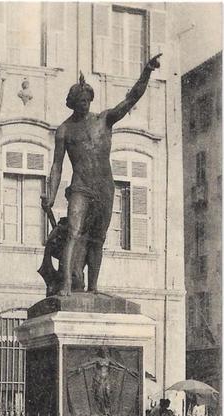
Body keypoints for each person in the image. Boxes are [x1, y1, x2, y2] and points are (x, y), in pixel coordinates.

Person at [41, 55, 162, 296]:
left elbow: (131, 98)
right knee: (73, 232)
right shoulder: (64, 130)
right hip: (80, 186)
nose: (84, 104)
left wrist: (147, 70)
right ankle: (66, 284)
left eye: (87, 100)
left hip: (104, 187)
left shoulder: (104, 119)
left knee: (98, 238)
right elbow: (57, 165)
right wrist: (51, 195)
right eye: (79, 100)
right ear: (72, 103)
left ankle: (93, 287)